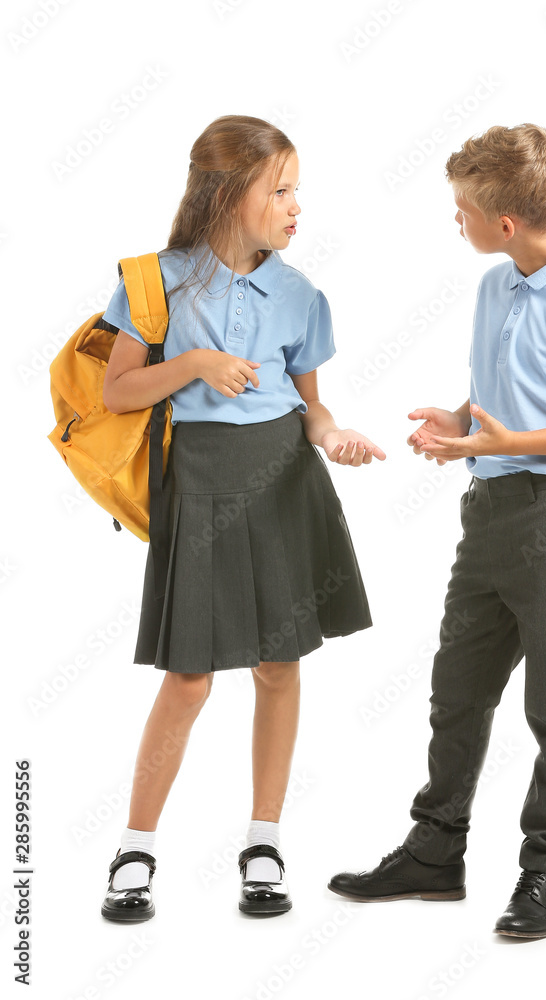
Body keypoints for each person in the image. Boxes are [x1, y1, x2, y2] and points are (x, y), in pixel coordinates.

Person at [328, 123, 546, 939]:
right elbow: (514, 389)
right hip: (488, 515)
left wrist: (504, 444)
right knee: (456, 691)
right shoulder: (498, 285)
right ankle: (435, 853)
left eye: (462, 210)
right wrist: (463, 420)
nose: (456, 221)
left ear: (505, 222)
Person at [98, 114, 385, 922]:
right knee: (189, 677)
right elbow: (117, 392)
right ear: (228, 194)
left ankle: (264, 841)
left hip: (285, 484)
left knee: (279, 667)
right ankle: (136, 846)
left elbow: (310, 405)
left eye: (300, 191)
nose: (298, 207)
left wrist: (333, 436)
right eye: (282, 190)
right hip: (201, 484)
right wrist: (190, 365)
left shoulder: (301, 293)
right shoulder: (154, 281)